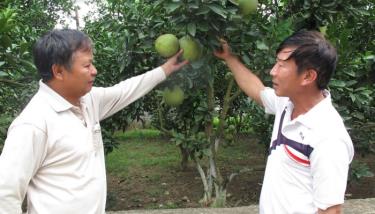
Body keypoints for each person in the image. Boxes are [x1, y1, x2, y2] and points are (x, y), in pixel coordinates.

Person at [0, 29, 188, 214]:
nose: (94, 71)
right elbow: (4, 194)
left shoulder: (88, 100)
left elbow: (126, 90)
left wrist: (166, 69)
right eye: (87, 65)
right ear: (58, 71)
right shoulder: (34, 123)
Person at [214, 30, 354, 214]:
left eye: (281, 65)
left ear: (308, 77)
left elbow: (331, 210)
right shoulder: (286, 103)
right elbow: (257, 90)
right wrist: (229, 58)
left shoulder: (328, 137)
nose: (273, 71)